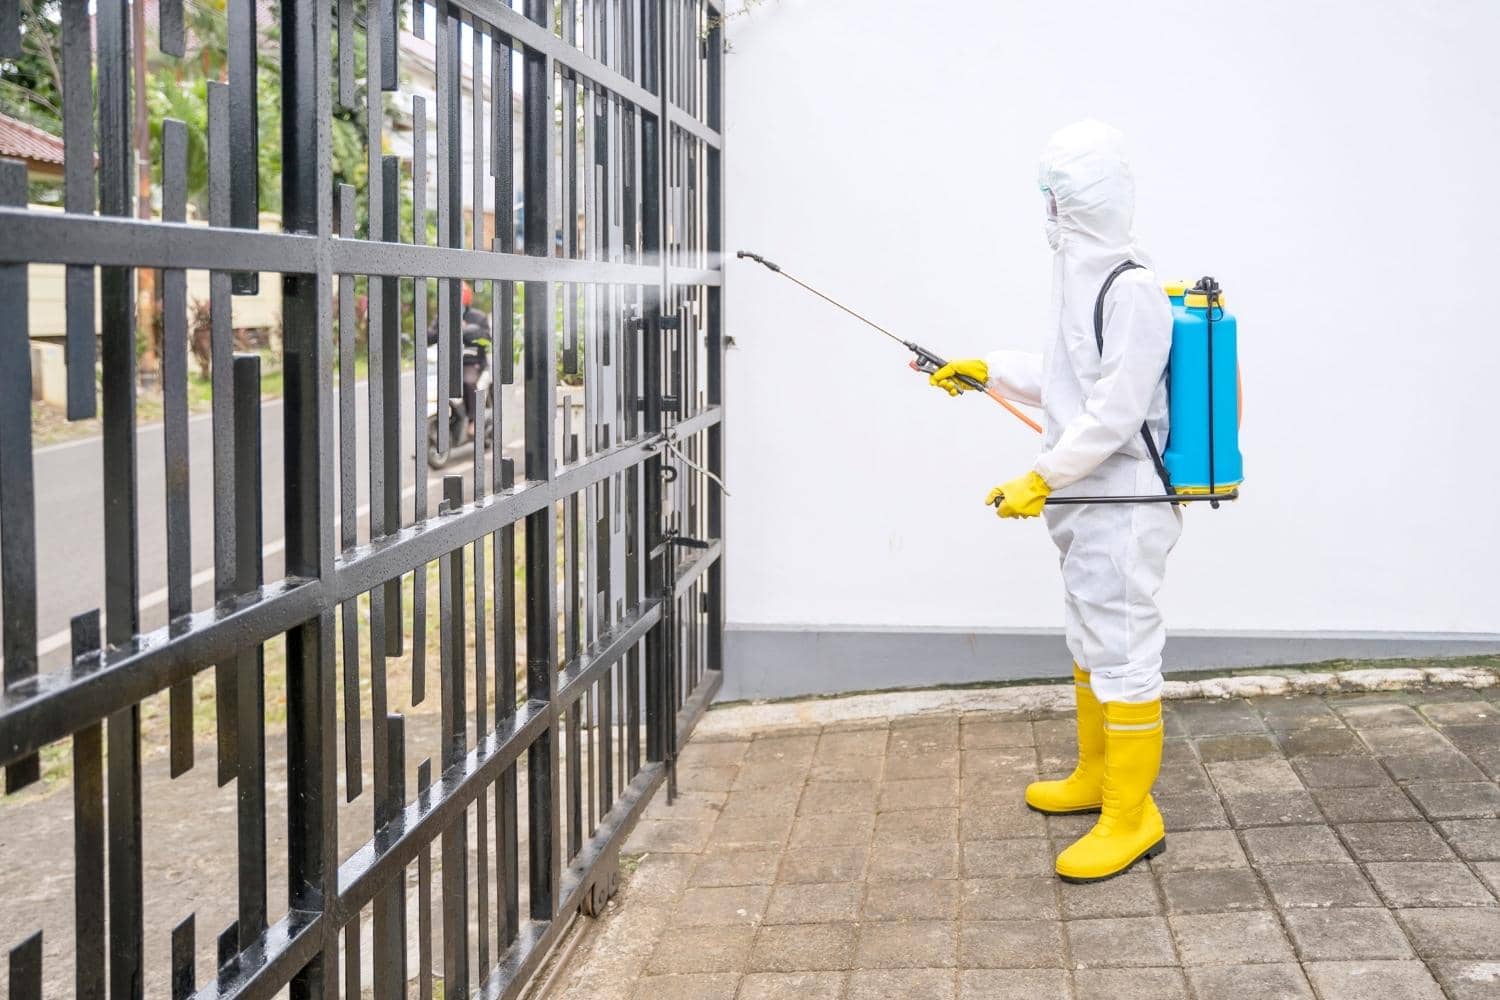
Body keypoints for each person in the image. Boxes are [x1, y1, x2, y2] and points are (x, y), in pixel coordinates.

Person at [929, 120, 1180, 883]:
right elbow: (1070, 376)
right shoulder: (1081, 276)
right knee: (1089, 638)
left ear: (1085, 200)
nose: (1049, 210)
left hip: (1124, 503)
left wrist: (1040, 478)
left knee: (1126, 651)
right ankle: (1094, 780)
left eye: (1057, 195)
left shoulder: (1133, 287)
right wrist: (991, 369)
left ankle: (1132, 817)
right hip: (1085, 499)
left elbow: (1113, 410)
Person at [427, 282, 492, 435]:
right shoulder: (442, 316)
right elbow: (429, 337)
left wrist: (468, 330)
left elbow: (487, 338)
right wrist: (441, 328)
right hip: (448, 363)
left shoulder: (478, 317)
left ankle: (474, 419)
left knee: (468, 382)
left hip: (472, 362)